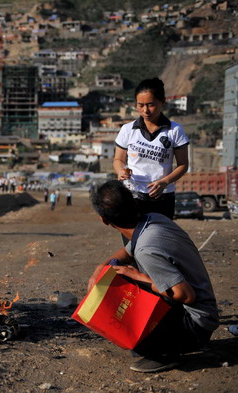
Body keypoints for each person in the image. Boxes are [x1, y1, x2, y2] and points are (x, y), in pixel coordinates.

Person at [88, 180, 218, 373]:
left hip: (196, 324)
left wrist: (140, 277)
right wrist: (101, 267)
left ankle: (165, 352)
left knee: (123, 317)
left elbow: (186, 295)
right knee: (120, 274)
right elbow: (127, 253)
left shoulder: (146, 249)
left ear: (104, 220)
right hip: (203, 313)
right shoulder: (153, 220)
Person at [114, 77, 189, 220]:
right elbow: (118, 159)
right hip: (133, 195)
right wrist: (120, 171)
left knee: (160, 239)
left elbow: (183, 165)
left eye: (150, 105)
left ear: (162, 102)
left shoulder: (175, 130)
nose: (145, 110)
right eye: (140, 105)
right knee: (133, 240)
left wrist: (165, 182)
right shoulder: (127, 129)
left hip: (163, 197)